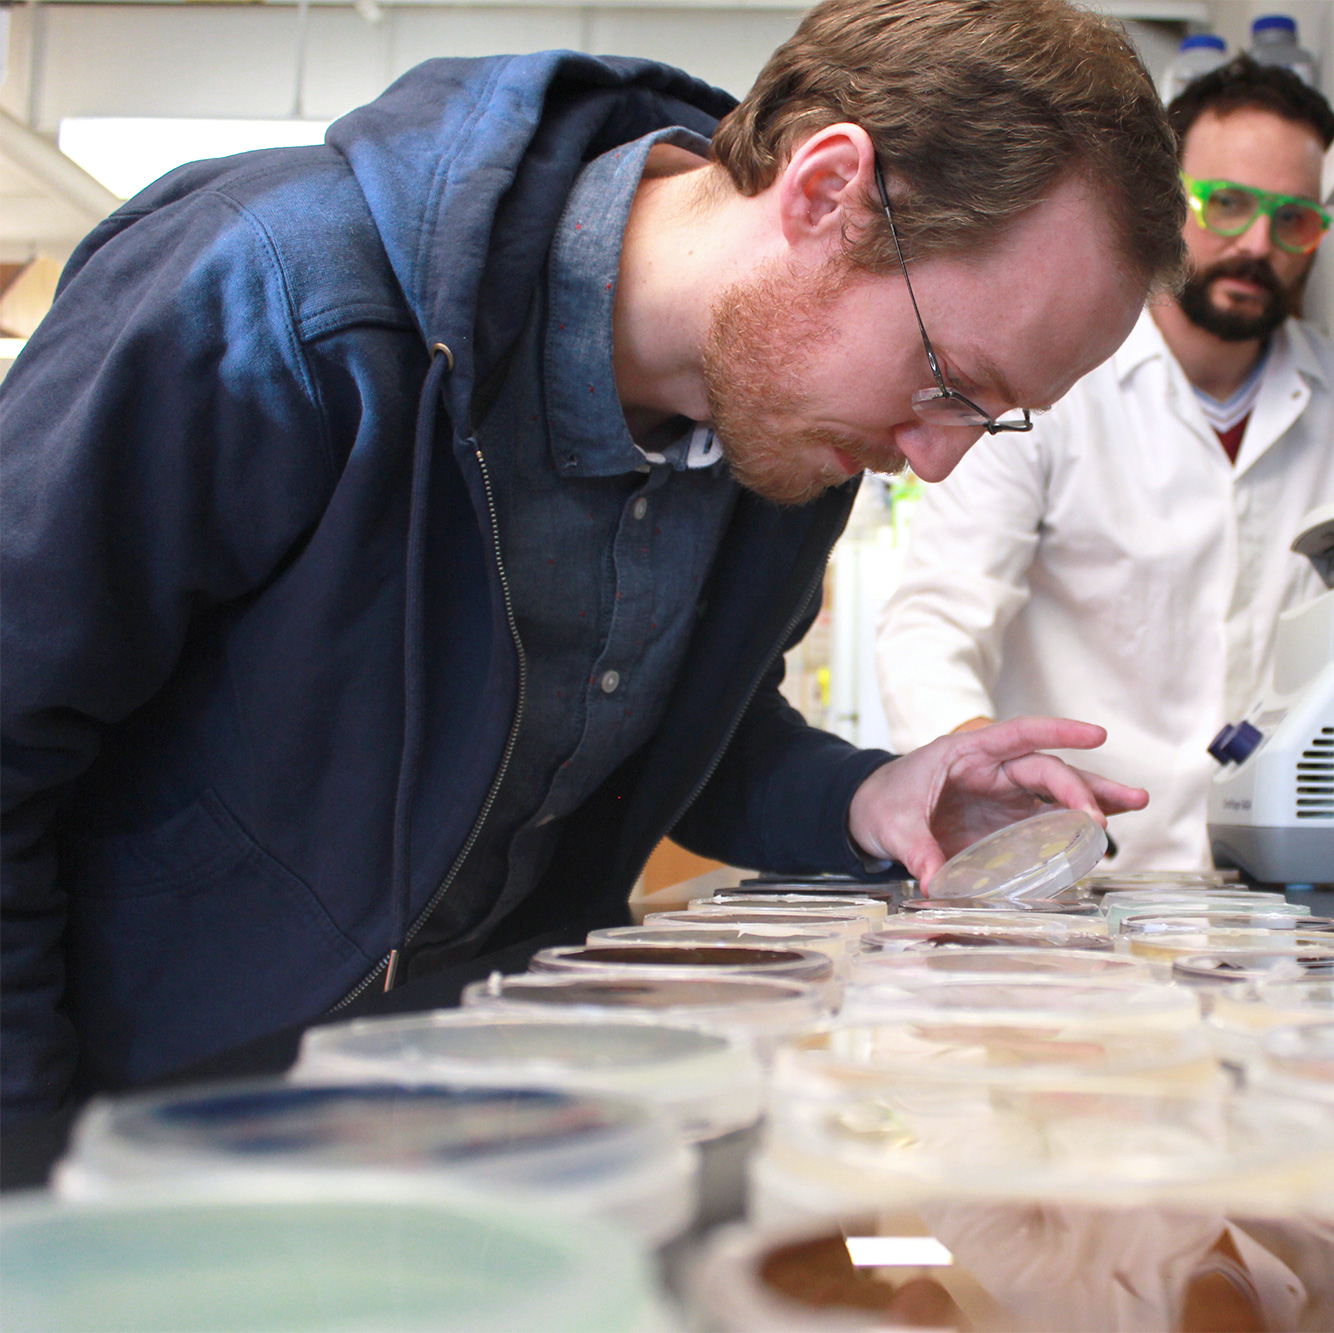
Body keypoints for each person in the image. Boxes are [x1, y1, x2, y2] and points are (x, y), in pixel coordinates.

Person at [0, 0, 1185, 1114]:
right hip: (159, 1138)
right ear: (828, 192)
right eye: (950, 383)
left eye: (990, 418)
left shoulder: (782, 431)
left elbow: (642, 742)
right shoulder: (276, 299)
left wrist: (863, 795)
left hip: (467, 1124)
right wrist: (31, 1171)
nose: (931, 461)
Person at [877, 56, 1334, 870]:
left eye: (1295, 219)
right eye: (1227, 205)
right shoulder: (1054, 381)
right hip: (1076, 875)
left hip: (1282, 895)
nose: (1258, 245)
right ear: (1166, 201)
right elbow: (935, 620)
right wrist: (971, 765)